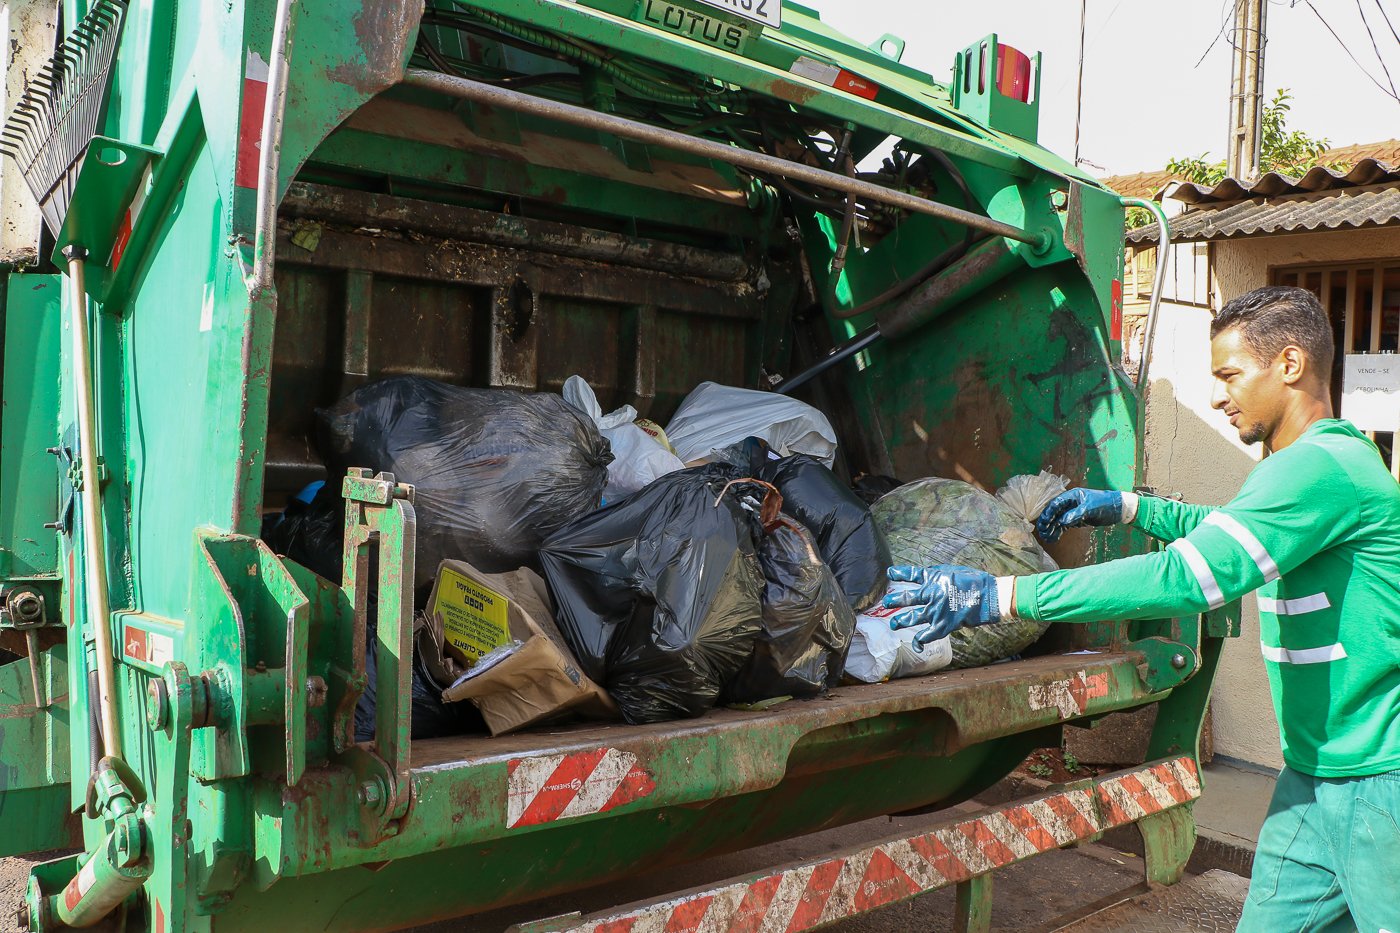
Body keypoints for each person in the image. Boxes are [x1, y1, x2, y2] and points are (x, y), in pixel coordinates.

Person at [883, 286, 1400, 932]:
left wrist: (1004, 594)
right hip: (1315, 779)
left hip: (1378, 784)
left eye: (1230, 375)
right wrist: (1126, 506)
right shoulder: (1320, 465)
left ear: (1290, 365)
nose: (1218, 395)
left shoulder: (1318, 469)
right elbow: (1228, 526)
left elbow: (1186, 576)